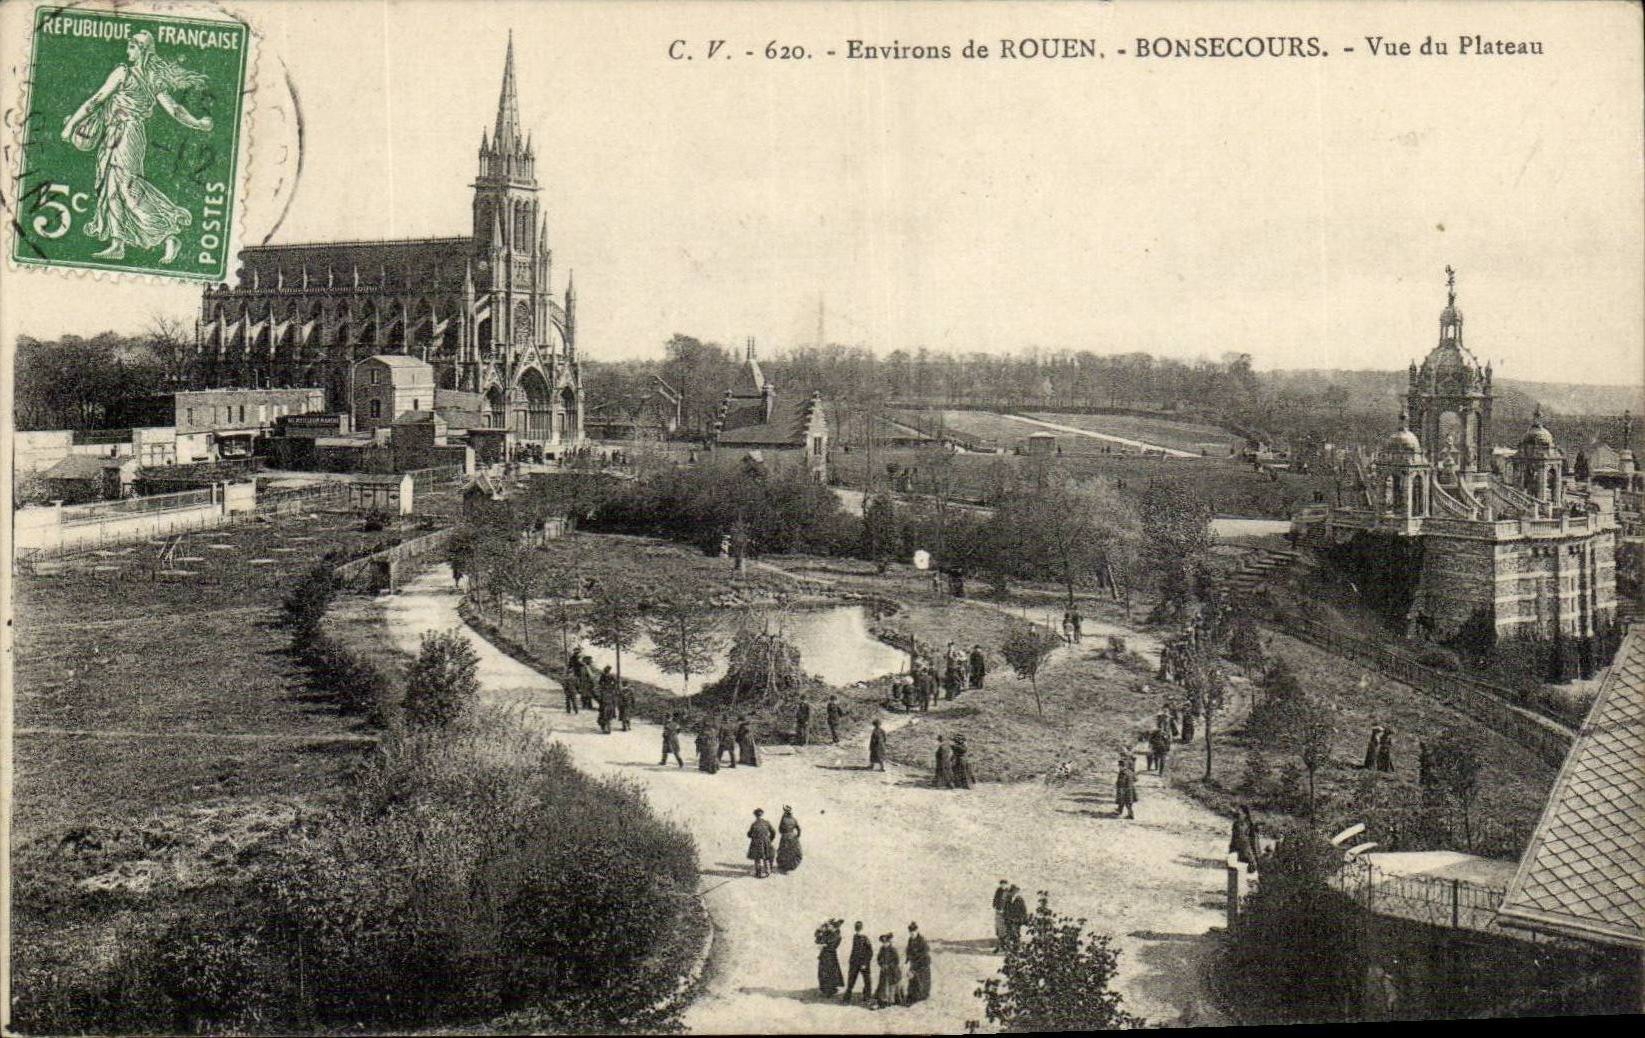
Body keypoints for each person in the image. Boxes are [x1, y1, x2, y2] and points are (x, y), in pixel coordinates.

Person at [59, 31, 214, 264]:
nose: (127, 51)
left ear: (142, 50)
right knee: (112, 187)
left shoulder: (125, 73)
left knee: (126, 186)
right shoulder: (153, 79)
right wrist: (199, 124)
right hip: (120, 134)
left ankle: (168, 234)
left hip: (125, 135)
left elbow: (96, 100)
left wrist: (71, 126)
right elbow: (176, 110)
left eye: (131, 47)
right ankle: (117, 243)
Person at [844, 921, 874, 1003]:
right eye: (857, 929)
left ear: (862, 929)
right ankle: (847, 998)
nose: (858, 931)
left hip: (864, 963)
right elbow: (854, 951)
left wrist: (865, 963)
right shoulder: (855, 937)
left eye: (859, 929)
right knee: (851, 980)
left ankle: (867, 997)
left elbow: (870, 952)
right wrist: (851, 961)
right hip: (854, 963)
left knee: (867, 981)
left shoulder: (865, 938)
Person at [816, 919, 845, 997]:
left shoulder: (836, 935)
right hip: (824, 955)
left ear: (833, 927)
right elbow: (817, 939)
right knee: (823, 972)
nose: (827, 927)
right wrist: (819, 929)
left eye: (829, 926)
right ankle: (825, 989)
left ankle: (830, 990)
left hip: (830, 956)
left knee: (829, 973)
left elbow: (830, 945)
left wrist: (823, 945)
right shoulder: (828, 933)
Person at [874, 933, 904, 1008]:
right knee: (883, 985)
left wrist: (889, 966)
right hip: (884, 971)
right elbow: (879, 959)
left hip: (893, 971)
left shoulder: (893, 949)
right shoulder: (882, 949)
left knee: (892, 986)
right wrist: (882, 965)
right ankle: (883, 1000)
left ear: (889, 942)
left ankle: (891, 1000)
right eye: (883, 943)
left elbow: (896, 961)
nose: (884, 944)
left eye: (886, 942)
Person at [905, 923, 931, 1004]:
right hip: (914, 962)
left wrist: (916, 962)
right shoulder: (910, 939)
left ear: (917, 931)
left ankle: (922, 996)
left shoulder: (922, 940)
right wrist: (907, 960)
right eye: (910, 932)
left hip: (923, 963)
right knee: (912, 979)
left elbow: (925, 952)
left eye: (913, 932)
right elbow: (908, 950)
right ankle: (912, 995)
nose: (912, 934)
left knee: (921, 980)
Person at [746, 808, 776, 878]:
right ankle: (768, 871)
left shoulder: (754, 824)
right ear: (762, 814)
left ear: (755, 815)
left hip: (757, 842)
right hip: (766, 841)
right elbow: (773, 832)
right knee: (766, 857)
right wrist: (770, 839)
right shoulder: (767, 822)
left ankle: (758, 873)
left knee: (757, 858)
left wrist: (752, 836)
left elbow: (749, 834)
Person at [776, 805, 802, 873]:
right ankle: (791, 865)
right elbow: (799, 828)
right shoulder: (794, 819)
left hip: (785, 836)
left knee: (783, 851)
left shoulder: (783, 819)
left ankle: (783, 866)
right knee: (793, 851)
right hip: (793, 836)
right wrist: (797, 836)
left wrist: (783, 833)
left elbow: (780, 829)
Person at [1115, 751, 1137, 819]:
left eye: (1119, 766)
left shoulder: (1123, 773)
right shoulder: (1130, 771)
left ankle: (1131, 815)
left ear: (1122, 766)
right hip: (1131, 789)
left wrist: (1118, 785)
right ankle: (1121, 811)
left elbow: (1121, 782)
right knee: (1128, 803)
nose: (1119, 768)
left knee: (1126, 803)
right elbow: (1136, 779)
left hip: (1125, 790)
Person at [596, 667, 617, 734]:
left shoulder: (603, 676)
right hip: (609, 701)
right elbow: (616, 682)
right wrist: (613, 686)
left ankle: (605, 727)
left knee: (603, 713)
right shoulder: (611, 676)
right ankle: (607, 727)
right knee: (609, 712)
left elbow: (599, 683)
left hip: (604, 699)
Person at [993, 879, 1011, 952]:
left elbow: (1009, 903)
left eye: (1004, 884)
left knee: (1004, 929)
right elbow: (995, 900)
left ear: (1006, 885)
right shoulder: (998, 891)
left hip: (1005, 913)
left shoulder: (1007, 892)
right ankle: (1000, 945)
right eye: (1001, 884)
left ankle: (1004, 945)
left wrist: (1005, 910)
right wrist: (996, 907)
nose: (1003, 885)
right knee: (999, 928)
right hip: (998, 912)